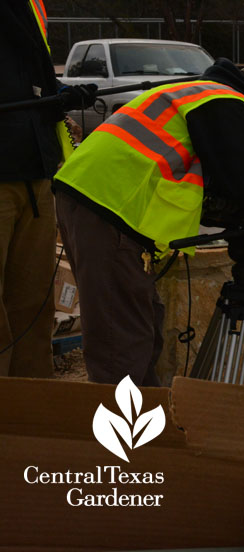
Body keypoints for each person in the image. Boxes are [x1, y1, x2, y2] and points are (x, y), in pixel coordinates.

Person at [52, 59, 244, 386]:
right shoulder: (228, 100)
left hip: (99, 203)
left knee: (142, 327)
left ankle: (149, 429)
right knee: (122, 345)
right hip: (108, 209)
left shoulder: (197, 96)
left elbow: (215, 192)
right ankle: (124, 437)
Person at [0, 0, 95, 379]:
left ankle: (31, 412)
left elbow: (31, 74)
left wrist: (63, 93)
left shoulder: (29, 6)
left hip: (35, 172)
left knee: (33, 306)